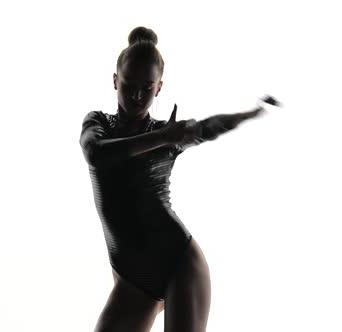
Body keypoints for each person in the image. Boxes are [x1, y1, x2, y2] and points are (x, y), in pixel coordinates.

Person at [79, 26, 280, 332]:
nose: (136, 95)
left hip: (179, 264)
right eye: (128, 85)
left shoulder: (169, 137)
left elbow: (210, 127)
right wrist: (161, 137)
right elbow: (97, 155)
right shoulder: (98, 124)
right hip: (132, 279)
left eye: (146, 88)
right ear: (115, 80)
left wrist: (251, 113)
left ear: (159, 88)